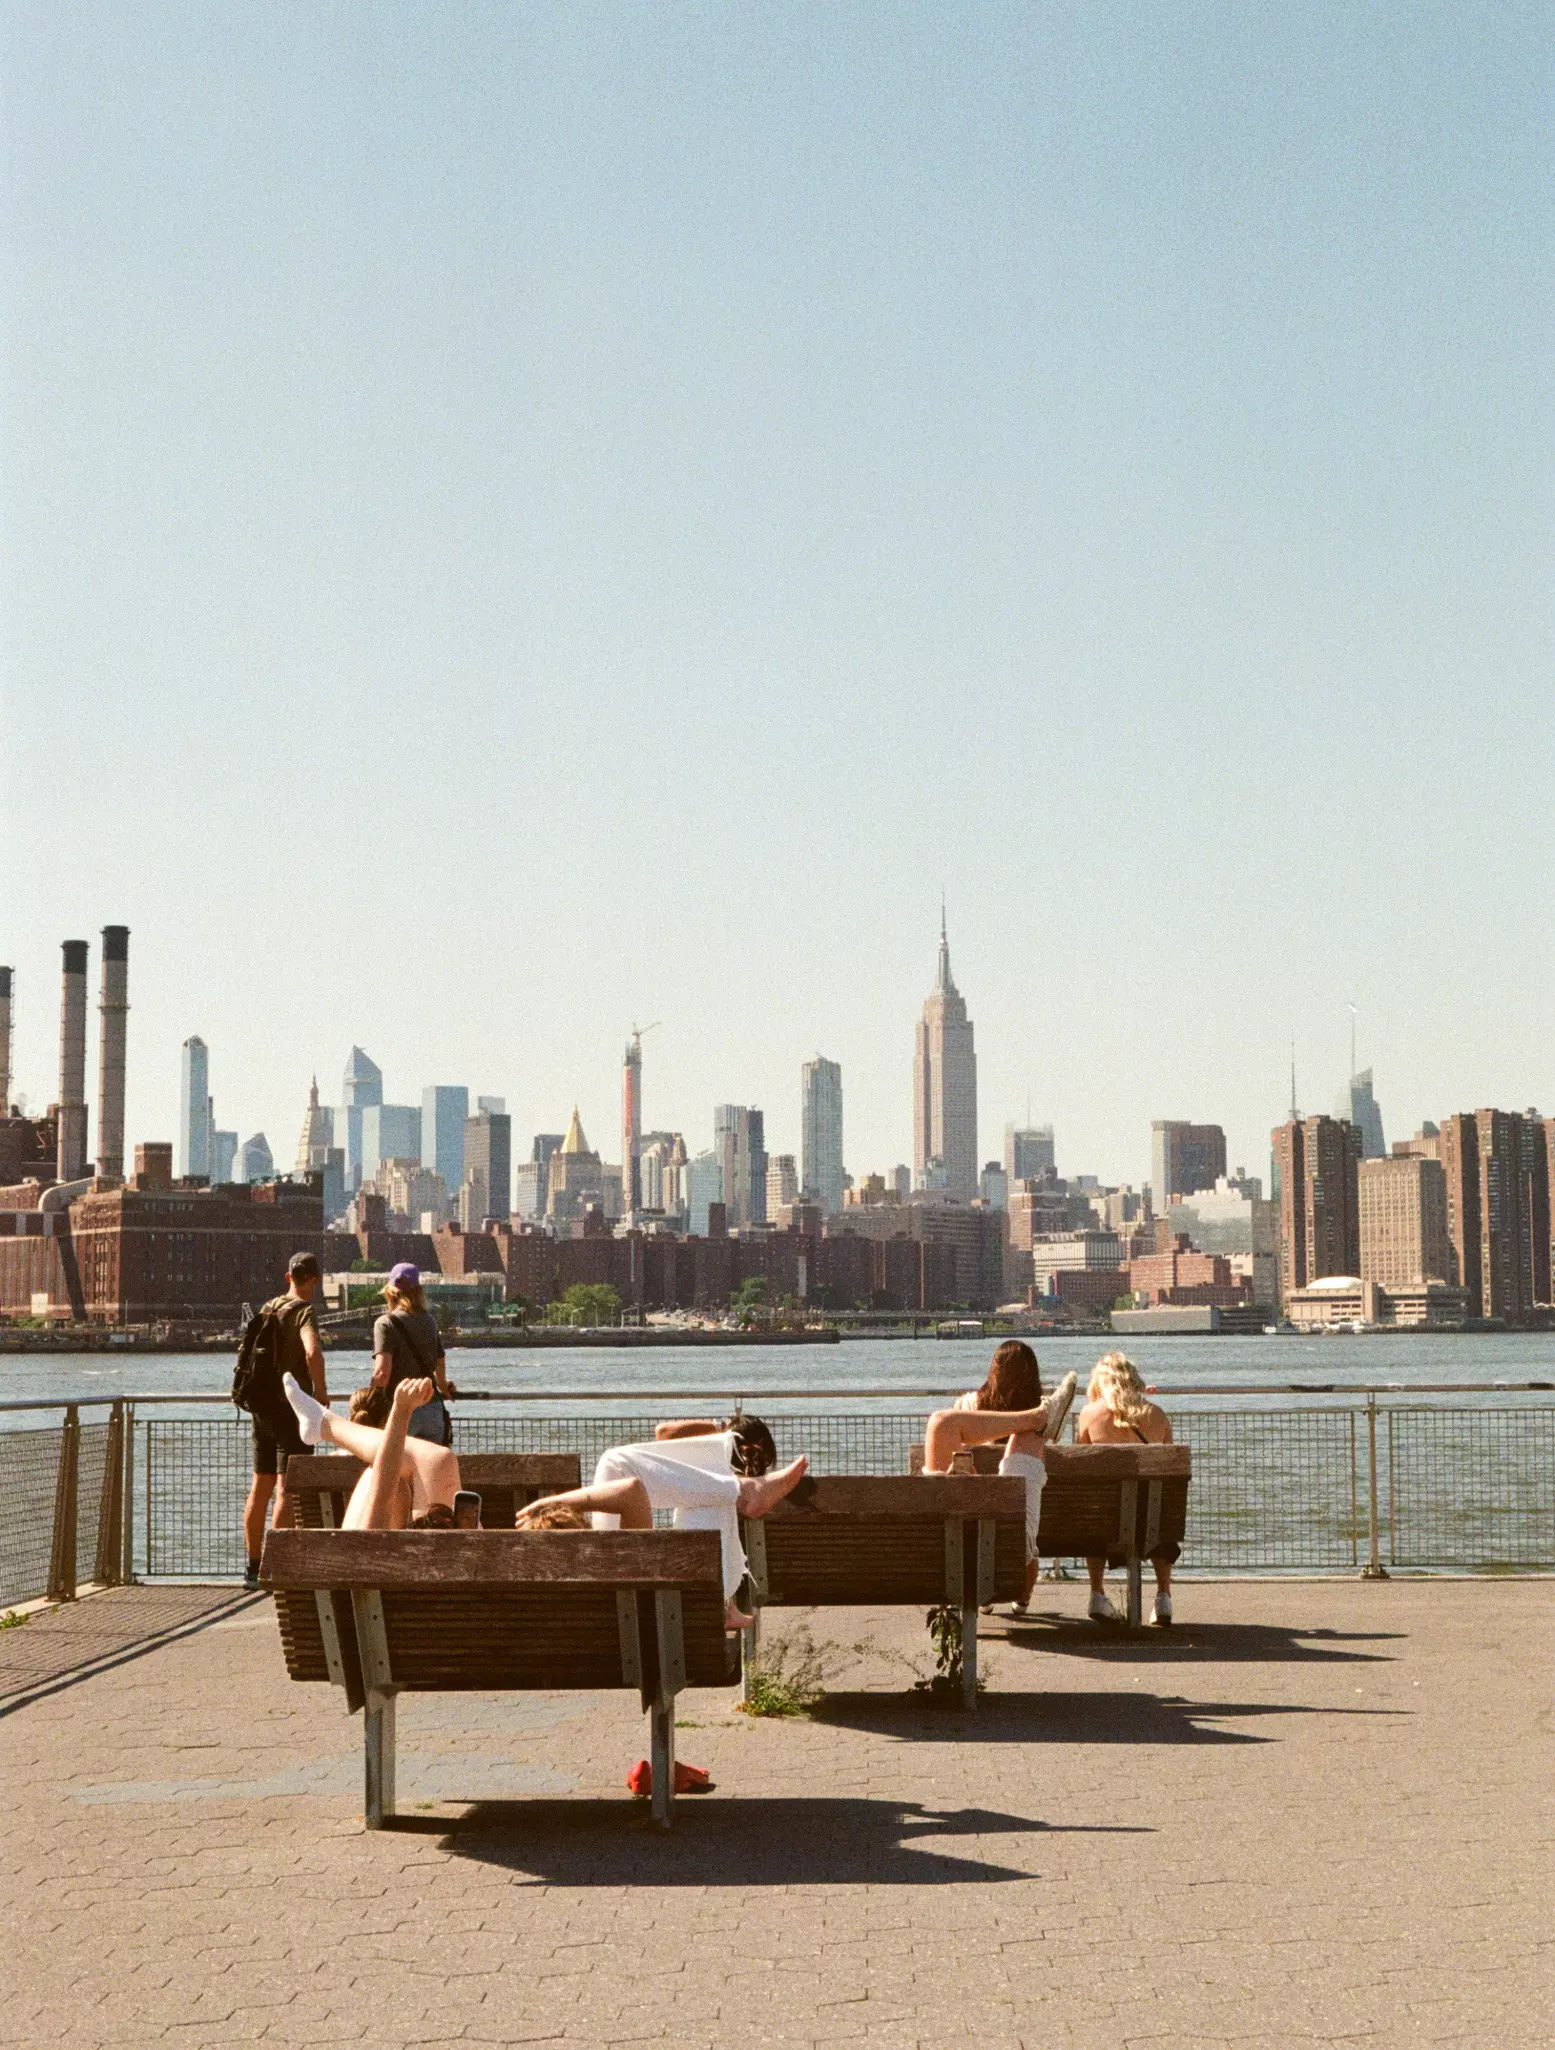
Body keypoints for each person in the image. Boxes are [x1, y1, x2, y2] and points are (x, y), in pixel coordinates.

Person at [516, 1417, 809, 1630]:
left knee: (701, 1491)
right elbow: (630, 1489)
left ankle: (742, 1493)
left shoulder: (585, 1585)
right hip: (654, 1617)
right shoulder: (617, 1565)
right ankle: (743, 1491)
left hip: (649, 1612)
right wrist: (554, 1503)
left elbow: (656, 1448)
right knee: (614, 1461)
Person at [925, 1342, 1077, 1616]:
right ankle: (1040, 1419)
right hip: (1012, 1555)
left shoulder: (968, 1403)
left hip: (950, 1552)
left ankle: (1038, 1418)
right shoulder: (1032, 1440)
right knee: (1028, 1436)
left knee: (940, 1423)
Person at [243, 1251, 330, 1587]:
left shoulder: (268, 1308)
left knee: (259, 1488)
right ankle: (276, 1570)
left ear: (287, 1276)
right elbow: (313, 1352)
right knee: (287, 1490)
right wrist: (321, 1393)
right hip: (292, 1412)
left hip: (262, 1408)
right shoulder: (303, 1312)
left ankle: (252, 1568)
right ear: (314, 1280)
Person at [282, 1372, 462, 1529]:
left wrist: (401, 1412)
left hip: (374, 1555)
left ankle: (326, 1424)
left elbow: (375, 1527)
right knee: (435, 1463)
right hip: (426, 1557)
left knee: (434, 1463)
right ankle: (326, 1425)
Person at [1077, 1351, 1177, 1625]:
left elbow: (1081, 1474)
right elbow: (1169, 1479)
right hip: (1151, 1524)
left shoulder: (1088, 1415)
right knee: (1157, 1507)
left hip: (1103, 1523)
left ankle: (1097, 1593)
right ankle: (1163, 1597)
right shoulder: (1157, 1415)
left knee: (1094, 1509)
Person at [372, 1263, 456, 1444]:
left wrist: (369, 1400)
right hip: (432, 1408)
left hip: (402, 1409)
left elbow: (382, 1374)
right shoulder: (429, 1321)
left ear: (390, 1291)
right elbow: (440, 1361)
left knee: (396, 1468)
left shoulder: (385, 1323)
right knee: (428, 1470)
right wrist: (443, 1385)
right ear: (418, 1291)